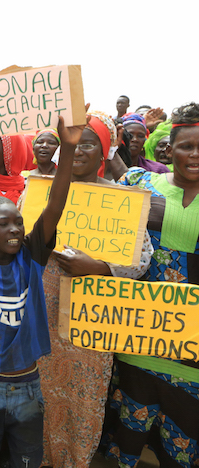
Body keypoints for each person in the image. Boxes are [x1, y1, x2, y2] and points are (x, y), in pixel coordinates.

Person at [0, 115, 83, 468]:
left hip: (28, 387)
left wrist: (67, 148)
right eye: (3, 224)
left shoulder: (33, 256)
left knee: (26, 461)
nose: (14, 229)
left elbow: (55, 204)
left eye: (18, 222)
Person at [31, 112, 152, 468]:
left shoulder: (123, 200)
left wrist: (98, 267)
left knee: (85, 394)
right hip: (43, 308)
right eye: (75, 143)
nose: (80, 150)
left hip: (92, 319)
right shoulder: (40, 189)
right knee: (38, 390)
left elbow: (142, 258)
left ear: (105, 151)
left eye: (89, 143)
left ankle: (75, 459)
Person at [104, 102, 199, 468]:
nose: (194, 155)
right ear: (168, 149)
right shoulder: (138, 184)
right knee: (129, 436)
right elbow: (107, 241)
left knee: (183, 446)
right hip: (137, 340)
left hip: (192, 352)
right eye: (186, 146)